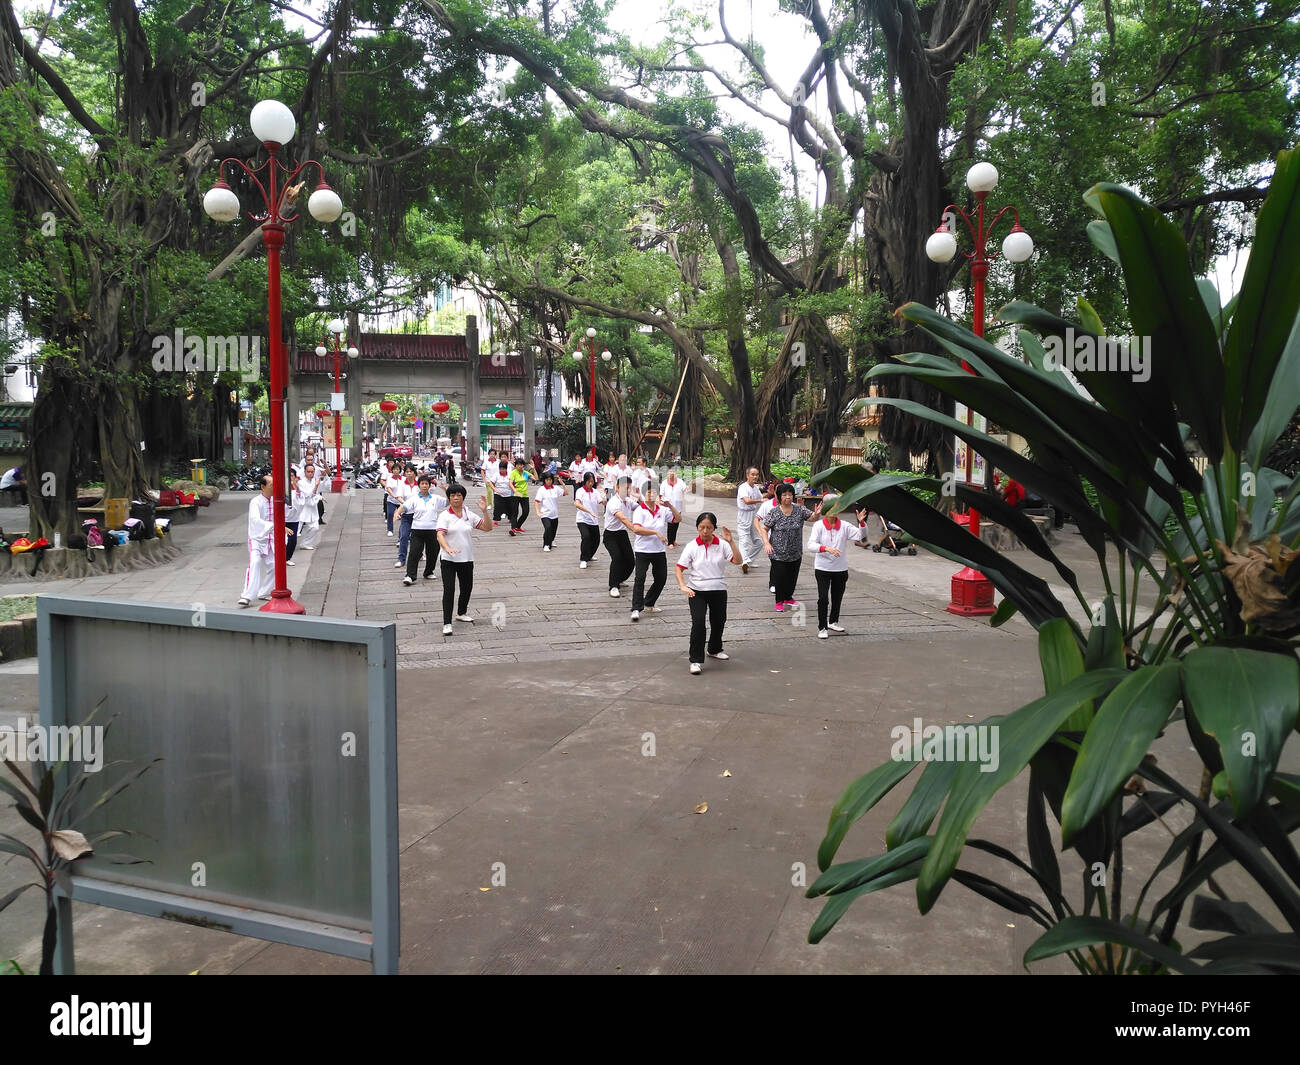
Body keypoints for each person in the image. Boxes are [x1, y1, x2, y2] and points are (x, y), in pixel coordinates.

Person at [674, 513, 742, 674]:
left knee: (719, 621)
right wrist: (682, 585)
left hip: (718, 589)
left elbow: (738, 561)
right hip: (696, 591)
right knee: (698, 624)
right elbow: (679, 568)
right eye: (701, 527)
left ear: (714, 528)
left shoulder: (722, 544)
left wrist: (731, 542)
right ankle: (695, 660)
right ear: (697, 527)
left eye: (709, 528)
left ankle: (714, 649)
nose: (705, 531)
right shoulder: (691, 546)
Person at [435, 484, 494, 635]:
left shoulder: (469, 514)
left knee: (467, 587)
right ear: (449, 498)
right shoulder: (445, 516)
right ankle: (447, 623)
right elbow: (440, 535)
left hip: (466, 558)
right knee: (449, 589)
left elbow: (488, 528)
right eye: (453, 495)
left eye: (459, 495)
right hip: (448, 559)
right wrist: (447, 548)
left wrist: (485, 511)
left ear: (463, 497)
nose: (456, 498)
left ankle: (461, 613)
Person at [757, 483, 822, 610]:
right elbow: (764, 528)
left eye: (790, 494)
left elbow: (812, 518)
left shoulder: (799, 509)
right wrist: (766, 543)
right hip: (778, 552)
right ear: (779, 497)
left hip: (795, 551)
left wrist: (817, 514)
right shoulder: (774, 512)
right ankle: (779, 600)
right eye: (785, 495)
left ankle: (788, 597)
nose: (788, 497)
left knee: (792, 576)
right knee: (780, 576)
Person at [807, 505, 865, 638]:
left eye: (837, 508)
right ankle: (822, 628)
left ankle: (833, 621)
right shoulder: (818, 526)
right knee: (823, 598)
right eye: (831, 508)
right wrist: (826, 548)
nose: (834, 512)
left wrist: (861, 522)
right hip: (822, 568)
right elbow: (810, 545)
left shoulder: (844, 525)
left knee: (837, 597)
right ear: (825, 511)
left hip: (840, 568)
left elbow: (860, 535)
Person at [628, 483, 682, 622]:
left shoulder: (662, 510)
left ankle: (649, 602)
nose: (651, 495)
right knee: (640, 578)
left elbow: (677, 519)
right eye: (648, 492)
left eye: (653, 492)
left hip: (658, 550)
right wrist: (656, 532)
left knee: (661, 578)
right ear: (644, 494)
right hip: (643, 550)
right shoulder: (640, 510)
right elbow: (636, 529)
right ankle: (636, 608)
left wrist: (670, 505)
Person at [395, 473, 446, 584]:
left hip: (432, 530)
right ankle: (410, 576)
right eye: (422, 484)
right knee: (414, 552)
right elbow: (404, 507)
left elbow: (448, 502)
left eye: (426, 484)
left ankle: (428, 572)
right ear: (419, 486)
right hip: (417, 530)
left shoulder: (436, 498)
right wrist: (397, 513)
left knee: (433, 552)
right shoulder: (414, 499)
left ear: (429, 486)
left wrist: (445, 490)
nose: (424, 486)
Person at [238, 475, 275, 606]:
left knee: (274, 566)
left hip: (271, 539)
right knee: (255, 563)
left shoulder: (276, 500)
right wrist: (273, 526)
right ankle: (246, 595)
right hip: (257, 539)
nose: (274, 487)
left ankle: (265, 591)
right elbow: (255, 520)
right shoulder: (256, 502)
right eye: (271, 485)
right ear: (263, 487)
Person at [602, 475, 637, 597]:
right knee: (617, 557)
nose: (627, 491)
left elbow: (639, 508)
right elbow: (622, 517)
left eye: (629, 488)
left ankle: (620, 578)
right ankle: (613, 586)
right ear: (617, 488)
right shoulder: (614, 502)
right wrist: (634, 529)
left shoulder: (628, 500)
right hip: (610, 535)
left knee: (630, 561)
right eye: (625, 488)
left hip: (622, 534)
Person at [735, 467, 766, 573]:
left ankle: (748, 561)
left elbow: (761, 497)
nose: (755, 476)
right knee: (744, 539)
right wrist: (760, 500)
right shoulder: (743, 487)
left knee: (759, 541)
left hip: (753, 515)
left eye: (757, 474)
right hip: (744, 514)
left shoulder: (755, 487)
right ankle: (744, 561)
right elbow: (747, 501)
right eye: (752, 474)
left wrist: (770, 493)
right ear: (747, 475)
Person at [572, 471, 603, 568]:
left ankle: (589, 555)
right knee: (586, 537)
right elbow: (577, 504)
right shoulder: (580, 491)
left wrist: (605, 496)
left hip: (593, 520)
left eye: (592, 481)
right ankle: (583, 559)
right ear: (585, 481)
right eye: (589, 481)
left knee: (596, 540)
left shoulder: (595, 492)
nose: (590, 483)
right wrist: (589, 511)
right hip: (582, 519)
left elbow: (602, 502)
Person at [393, 464, 419, 568]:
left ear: (414, 473)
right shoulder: (402, 485)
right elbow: (398, 497)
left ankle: (420, 554)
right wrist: (406, 504)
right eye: (407, 472)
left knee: (417, 537)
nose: (409, 473)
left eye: (411, 471)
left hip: (418, 515)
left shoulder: (419, 484)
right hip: (406, 514)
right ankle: (401, 559)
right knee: (404, 536)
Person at [535, 471, 566, 551]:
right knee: (548, 528)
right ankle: (546, 544)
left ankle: (551, 540)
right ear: (544, 480)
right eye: (547, 479)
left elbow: (565, 493)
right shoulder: (541, 489)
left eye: (550, 479)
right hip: (545, 514)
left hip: (554, 514)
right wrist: (538, 511)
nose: (548, 481)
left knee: (553, 530)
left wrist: (562, 484)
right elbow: (537, 501)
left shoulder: (555, 488)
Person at [487, 459, 517, 534]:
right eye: (501, 469)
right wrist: (494, 489)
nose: (502, 470)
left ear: (506, 468)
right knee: (497, 506)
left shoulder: (510, 474)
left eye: (503, 469)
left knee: (510, 507)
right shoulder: (496, 474)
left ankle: (510, 518)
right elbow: (491, 482)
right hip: (498, 494)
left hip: (508, 493)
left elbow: (514, 482)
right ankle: (496, 520)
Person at [298, 461, 322, 551]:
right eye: (308, 472)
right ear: (304, 472)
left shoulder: (314, 481)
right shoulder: (301, 483)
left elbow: (316, 494)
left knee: (315, 527)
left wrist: (320, 497)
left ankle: (305, 543)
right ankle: (285, 545)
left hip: (312, 508)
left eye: (312, 472)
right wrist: (316, 486)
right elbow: (308, 495)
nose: (310, 473)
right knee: (296, 530)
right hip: (303, 508)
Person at [660, 468, 686, 547]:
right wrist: (661, 502)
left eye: (673, 472)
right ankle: (670, 542)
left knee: (676, 524)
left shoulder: (680, 482)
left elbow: (685, 490)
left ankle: (673, 540)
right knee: (670, 524)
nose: (672, 473)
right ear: (667, 473)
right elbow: (661, 494)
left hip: (678, 506)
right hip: (668, 506)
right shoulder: (664, 483)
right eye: (670, 471)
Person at [510, 456, 535, 533]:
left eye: (521, 464)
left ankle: (518, 526)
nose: (519, 466)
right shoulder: (513, 473)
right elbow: (510, 483)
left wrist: (534, 468)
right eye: (517, 464)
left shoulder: (526, 473)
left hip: (524, 495)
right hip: (515, 495)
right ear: (515, 465)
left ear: (523, 465)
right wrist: (515, 491)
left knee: (526, 512)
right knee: (515, 512)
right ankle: (513, 528)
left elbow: (536, 478)